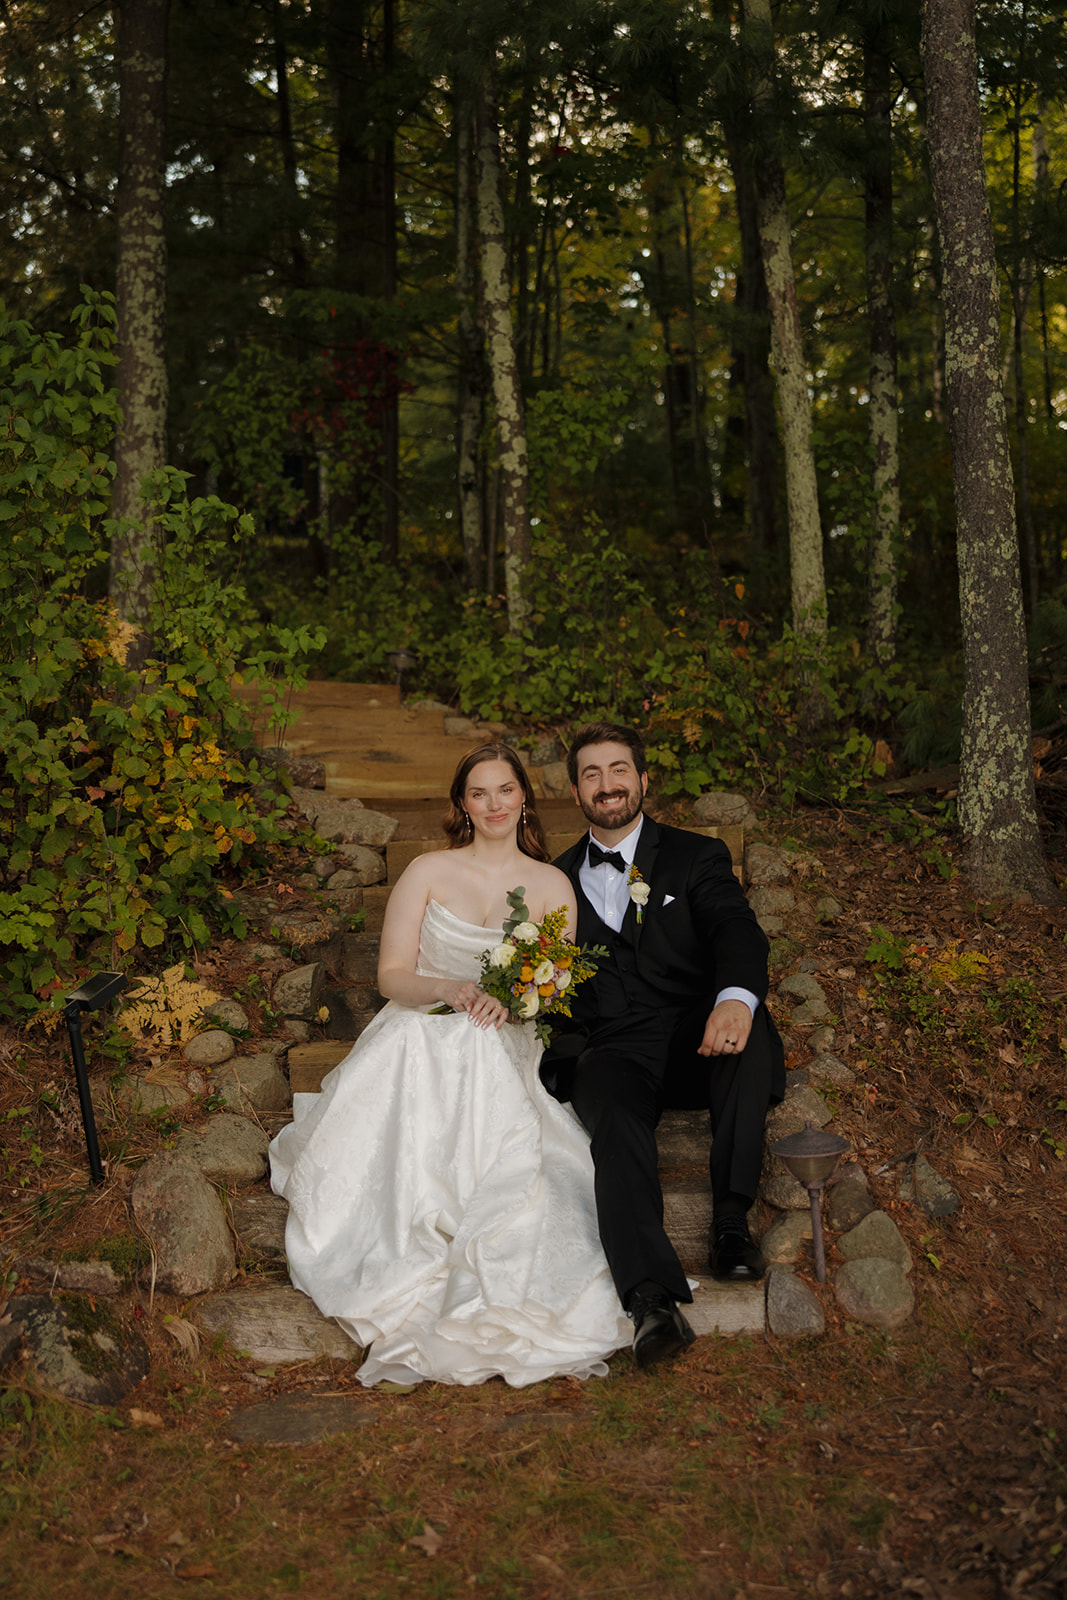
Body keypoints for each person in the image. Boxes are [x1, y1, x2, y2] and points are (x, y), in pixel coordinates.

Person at [268, 741, 630, 1388]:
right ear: (462, 805)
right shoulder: (428, 870)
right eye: (478, 792)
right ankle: (409, 1219)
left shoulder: (551, 885)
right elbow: (390, 976)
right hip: (422, 1020)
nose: (493, 803)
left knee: (482, 1045)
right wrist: (443, 989)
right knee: (434, 1041)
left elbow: (550, 990)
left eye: (504, 790)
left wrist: (511, 1005)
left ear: (523, 798)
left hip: (505, 1033)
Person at [541, 722, 785, 1370]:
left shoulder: (693, 855)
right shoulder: (551, 879)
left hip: (688, 1036)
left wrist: (733, 996)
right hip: (611, 1046)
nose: (606, 784)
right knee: (611, 1115)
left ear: (643, 780)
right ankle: (649, 1298)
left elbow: (736, 928)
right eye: (590, 773)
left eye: (618, 769)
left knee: (749, 1028)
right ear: (574, 791)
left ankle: (730, 1222)